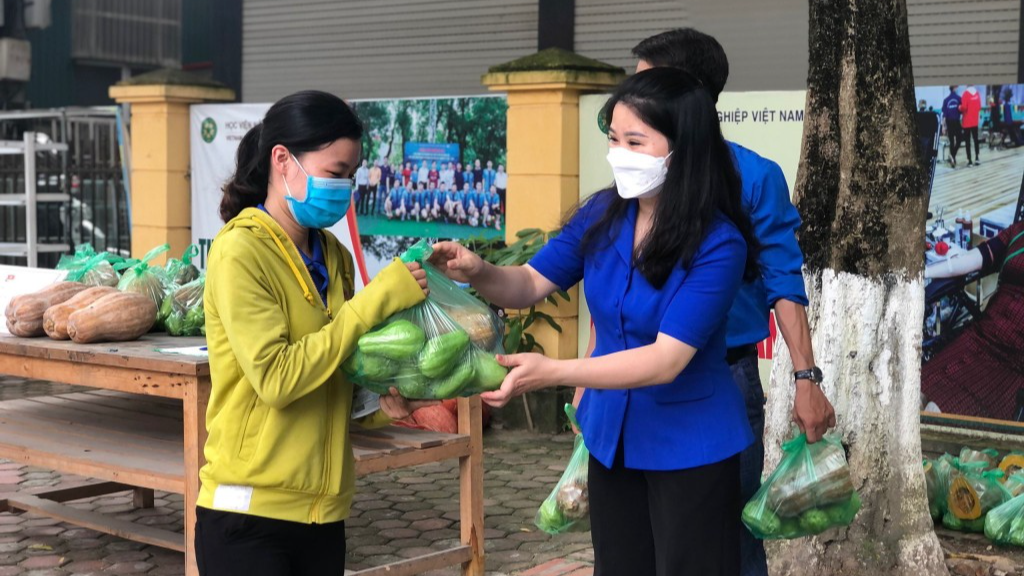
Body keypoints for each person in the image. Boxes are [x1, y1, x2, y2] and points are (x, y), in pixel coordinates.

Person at [431, 68, 758, 575]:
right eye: (613, 138)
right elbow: (528, 282)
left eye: (635, 140)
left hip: (691, 446)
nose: (618, 153)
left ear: (684, 149)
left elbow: (666, 359)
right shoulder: (604, 215)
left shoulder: (718, 242)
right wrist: (477, 270)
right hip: (613, 439)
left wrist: (554, 371)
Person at [602, 29, 836, 576]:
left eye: (647, 83)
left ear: (690, 97)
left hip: (719, 381)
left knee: (726, 543)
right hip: (633, 380)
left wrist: (807, 379)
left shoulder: (751, 177)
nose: (631, 102)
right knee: (635, 541)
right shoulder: (630, 180)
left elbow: (784, 282)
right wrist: (593, 384)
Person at [198, 90, 432, 576]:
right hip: (248, 515)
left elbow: (334, 367)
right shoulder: (240, 252)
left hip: (324, 513)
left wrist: (378, 401)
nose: (344, 187)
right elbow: (278, 380)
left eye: (350, 175)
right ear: (282, 160)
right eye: (334, 173)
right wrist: (375, 302)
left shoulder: (334, 256)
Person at [922, 220, 1024, 420]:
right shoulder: (1019, 231)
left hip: (1015, 362)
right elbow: (975, 258)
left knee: (935, 414)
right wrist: (922, 273)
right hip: (984, 336)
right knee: (914, 394)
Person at [960, 84, 982, 166]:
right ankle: (977, 158)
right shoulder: (977, 94)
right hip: (975, 122)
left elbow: (964, 107)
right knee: (976, 140)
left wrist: (959, 107)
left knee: (967, 142)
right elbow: (979, 107)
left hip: (967, 122)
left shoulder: (965, 94)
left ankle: (969, 161)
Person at [943, 86, 963, 168]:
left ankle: (952, 156)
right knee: (958, 140)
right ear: (954, 88)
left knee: (952, 141)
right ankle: (953, 158)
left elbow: (944, 115)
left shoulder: (946, 100)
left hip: (950, 122)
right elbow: (962, 110)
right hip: (955, 121)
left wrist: (944, 126)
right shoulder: (958, 98)